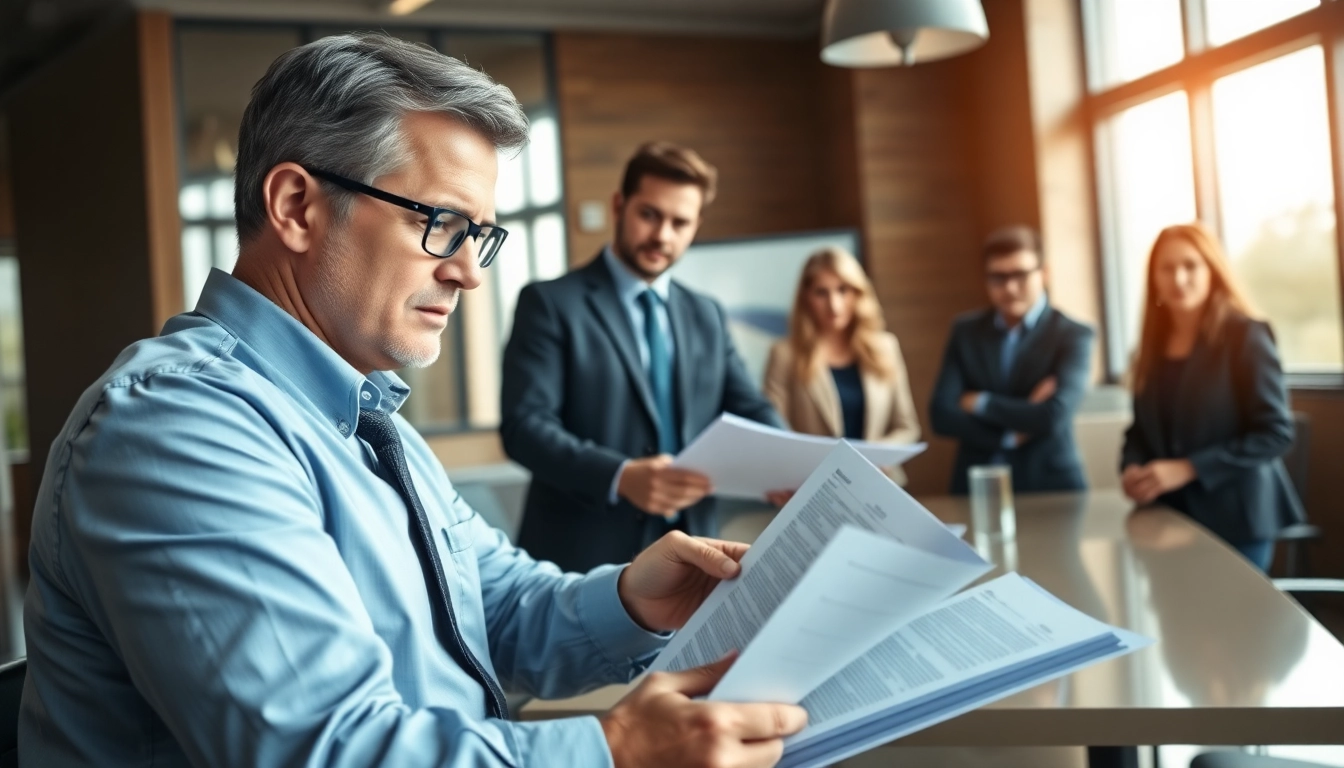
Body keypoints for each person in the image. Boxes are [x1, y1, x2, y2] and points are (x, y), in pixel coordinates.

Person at [20, 34, 807, 767]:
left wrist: (636, 600)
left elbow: (492, 609)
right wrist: (618, 749)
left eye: (480, 236)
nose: (467, 272)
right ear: (296, 206)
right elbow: (329, 750)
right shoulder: (177, 429)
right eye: (442, 223)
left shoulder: (366, 419)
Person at [501, 142, 785, 573]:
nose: (662, 236)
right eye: (649, 215)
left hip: (694, 552)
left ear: (696, 225)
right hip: (582, 558)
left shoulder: (705, 314)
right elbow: (525, 428)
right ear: (619, 205)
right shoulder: (550, 303)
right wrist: (620, 476)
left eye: (680, 222)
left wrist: (793, 466)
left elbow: (751, 407)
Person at [1120, 223, 1303, 572]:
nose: (1179, 278)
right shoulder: (1149, 348)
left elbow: (1276, 433)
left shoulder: (1246, 335)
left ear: (1212, 272)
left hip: (1236, 518)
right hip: (1168, 517)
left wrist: (1188, 468)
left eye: (1190, 265)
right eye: (1167, 268)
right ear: (1153, 278)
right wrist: (1132, 467)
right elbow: (1141, 429)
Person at [929, 225, 1095, 494]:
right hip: (976, 483)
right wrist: (1009, 435)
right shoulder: (966, 331)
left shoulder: (1073, 334)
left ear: (1044, 273)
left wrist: (981, 402)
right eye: (998, 277)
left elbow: (1053, 415)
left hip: (1050, 485)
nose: (1009, 287)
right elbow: (941, 415)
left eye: (1020, 275)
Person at [763, 246, 920, 486]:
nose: (834, 305)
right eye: (821, 293)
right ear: (805, 297)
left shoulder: (885, 347)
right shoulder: (785, 354)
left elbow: (907, 427)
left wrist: (873, 456)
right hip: (813, 485)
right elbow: (775, 433)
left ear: (858, 294)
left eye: (843, 290)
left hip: (879, 481)